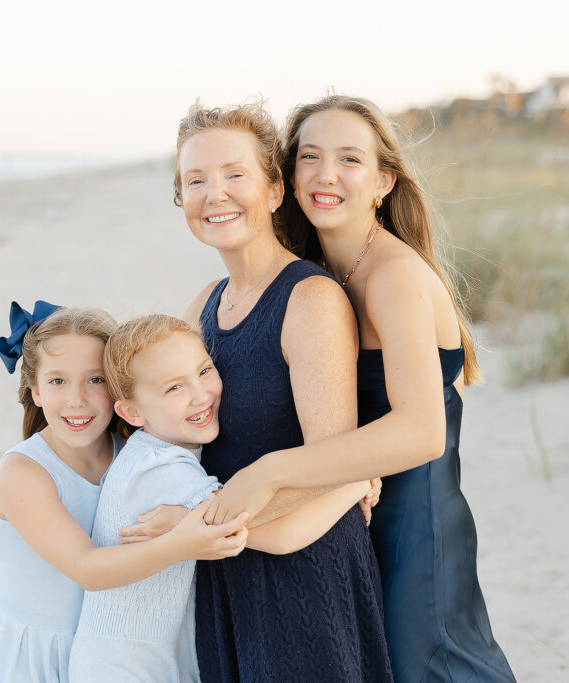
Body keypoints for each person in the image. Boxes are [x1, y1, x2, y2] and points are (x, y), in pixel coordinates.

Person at [204, 95, 516, 682]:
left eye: (349, 159)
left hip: (413, 520)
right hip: (344, 515)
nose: (326, 175)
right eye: (310, 157)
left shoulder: (395, 276)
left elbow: (424, 431)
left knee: (434, 666)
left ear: (384, 180)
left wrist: (271, 471)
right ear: (288, 177)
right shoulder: (316, 275)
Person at [170, 101, 393, 682]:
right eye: (196, 180)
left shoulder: (309, 300)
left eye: (234, 175)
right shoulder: (203, 306)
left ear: (274, 191)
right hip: (227, 567)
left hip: (304, 573)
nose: (214, 194)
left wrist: (202, 522)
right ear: (181, 200)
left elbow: (334, 467)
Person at [69, 314, 374, 682]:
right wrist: (354, 481)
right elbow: (280, 535)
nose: (200, 394)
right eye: (174, 388)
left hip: (136, 656)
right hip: (126, 667)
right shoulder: (161, 471)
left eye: (204, 370)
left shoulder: (157, 452)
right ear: (132, 412)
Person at [0, 302, 250, 683]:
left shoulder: (133, 453)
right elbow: (86, 567)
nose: (77, 399)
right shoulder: (23, 472)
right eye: (57, 381)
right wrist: (180, 543)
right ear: (34, 391)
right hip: (31, 655)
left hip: (101, 650)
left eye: (95, 379)